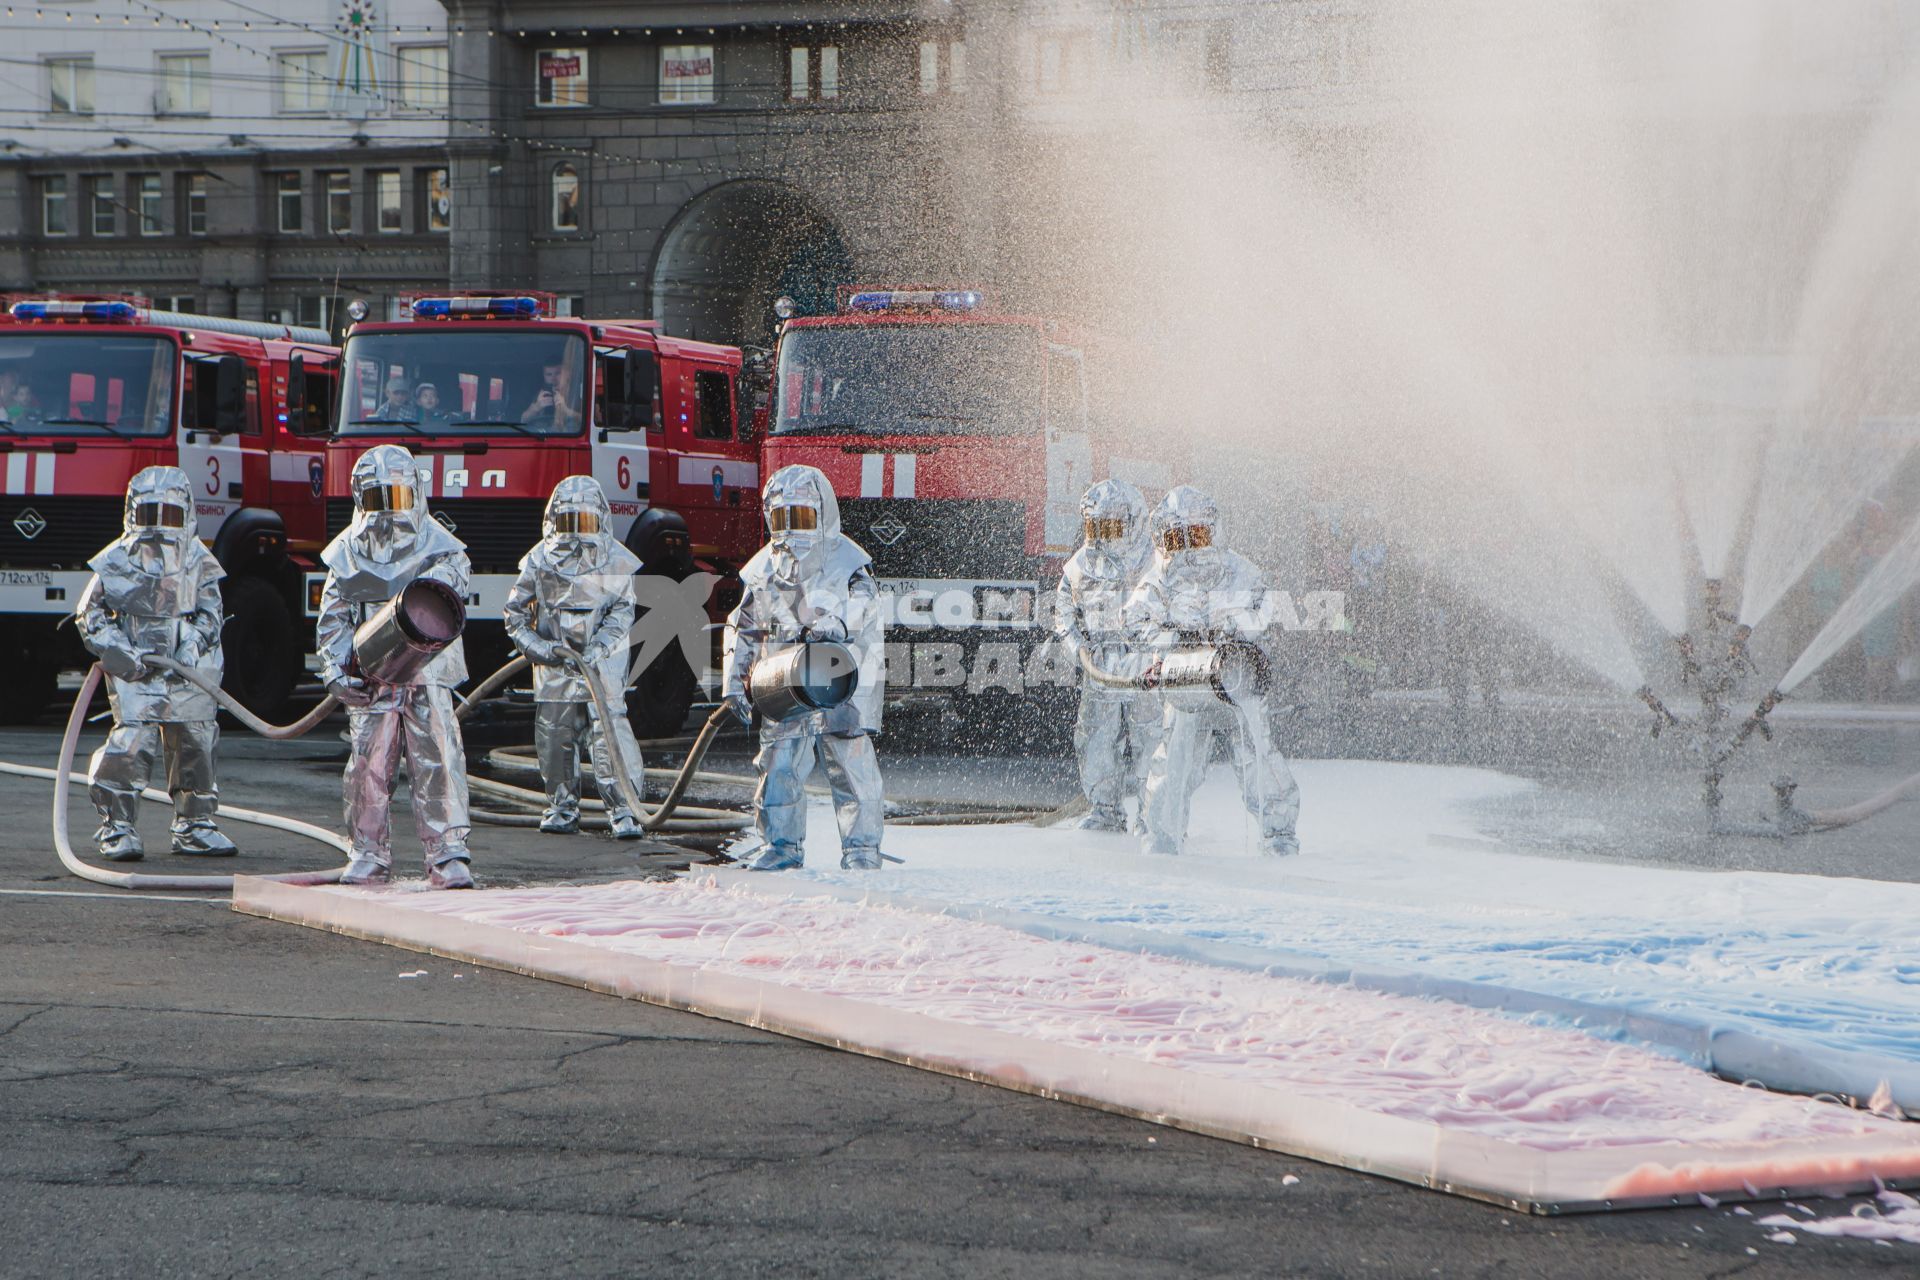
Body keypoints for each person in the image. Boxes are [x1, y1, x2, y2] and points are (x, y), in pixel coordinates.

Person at [316, 445, 475, 888]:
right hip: (371, 678)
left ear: (417, 494)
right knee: (368, 765)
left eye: (399, 497)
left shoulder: (444, 551)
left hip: (429, 673)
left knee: (439, 759)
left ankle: (447, 854)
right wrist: (334, 670)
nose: (389, 513)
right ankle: (368, 852)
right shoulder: (345, 553)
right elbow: (333, 619)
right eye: (377, 499)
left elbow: (444, 598)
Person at [722, 464, 886, 871]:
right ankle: (781, 847)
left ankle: (862, 849)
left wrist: (837, 624)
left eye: (802, 516)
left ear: (822, 513)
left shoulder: (847, 560)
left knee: (853, 769)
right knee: (778, 766)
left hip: (839, 683)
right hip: (783, 685)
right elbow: (742, 626)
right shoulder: (763, 569)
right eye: (782, 518)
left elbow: (865, 602)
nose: (792, 530)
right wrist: (733, 679)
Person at [1128, 485, 1301, 858]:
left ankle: (1278, 835)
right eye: (1178, 537)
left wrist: (1234, 632)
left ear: (1214, 530)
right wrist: (1173, 642)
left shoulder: (1241, 570)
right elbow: (1135, 619)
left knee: (1257, 757)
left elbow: (1266, 609)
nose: (1189, 547)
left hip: (1236, 680)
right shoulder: (1159, 579)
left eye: (1198, 534)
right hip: (1187, 681)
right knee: (1175, 761)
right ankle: (1162, 836)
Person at [75, 466, 237, 860]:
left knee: (196, 743)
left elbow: (211, 611)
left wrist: (193, 644)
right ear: (133, 513)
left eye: (170, 515)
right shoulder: (115, 558)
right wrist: (119, 652)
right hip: (138, 666)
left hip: (191, 667)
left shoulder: (198, 557)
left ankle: (195, 824)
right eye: (150, 515)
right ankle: (117, 826)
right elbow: (89, 614)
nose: (160, 527)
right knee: (132, 742)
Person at [503, 476, 649, 838]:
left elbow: (622, 611)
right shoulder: (538, 560)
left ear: (600, 519)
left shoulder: (616, 561)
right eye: (569, 523)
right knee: (554, 736)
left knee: (610, 736)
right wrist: (543, 650)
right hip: (555, 667)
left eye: (585, 523)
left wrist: (599, 647)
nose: (577, 534)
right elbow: (515, 614)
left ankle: (625, 810)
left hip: (603, 667)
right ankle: (561, 806)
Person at [1053, 479, 1159, 832]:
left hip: (1146, 664)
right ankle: (1105, 809)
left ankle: (1154, 812)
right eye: (1095, 527)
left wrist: (1163, 649)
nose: (1103, 536)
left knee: (1152, 738)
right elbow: (1064, 611)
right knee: (1096, 736)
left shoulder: (1155, 562)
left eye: (1111, 526)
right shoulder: (1081, 564)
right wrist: (1078, 648)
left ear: (1133, 521)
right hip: (1100, 663)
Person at [520, 360, 580, 431]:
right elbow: (522, 420)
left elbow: (588, 420)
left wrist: (566, 411)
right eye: (549, 374)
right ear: (544, 377)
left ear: (568, 374)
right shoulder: (541, 395)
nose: (553, 379)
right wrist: (536, 407)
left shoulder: (578, 394)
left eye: (558, 373)